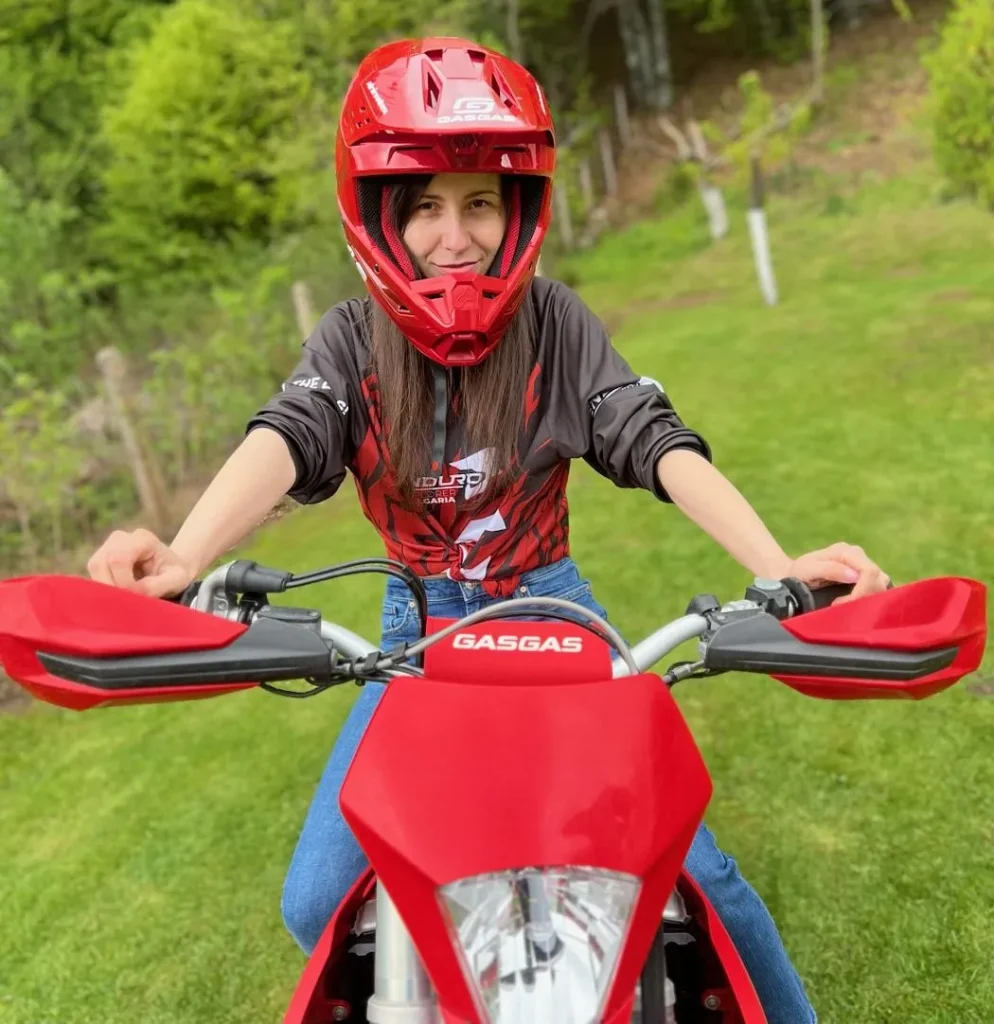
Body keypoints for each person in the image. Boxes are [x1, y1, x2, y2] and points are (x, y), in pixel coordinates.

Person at [86, 37, 890, 1024]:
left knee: (696, 876)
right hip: (413, 634)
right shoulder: (350, 341)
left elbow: (654, 438)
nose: (452, 233)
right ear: (381, 213)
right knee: (318, 907)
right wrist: (185, 551)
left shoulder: (554, 325)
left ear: (516, 212)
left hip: (555, 612)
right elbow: (289, 434)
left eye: (478, 201)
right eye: (423, 203)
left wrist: (778, 567)